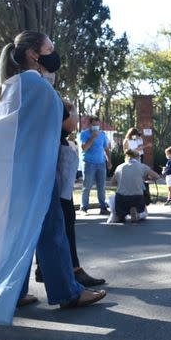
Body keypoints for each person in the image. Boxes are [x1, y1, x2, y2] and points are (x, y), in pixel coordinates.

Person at [0, 31, 106, 324]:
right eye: (50, 48)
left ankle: (16, 290)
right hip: (33, 173)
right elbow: (61, 124)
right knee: (51, 229)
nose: (54, 53)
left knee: (19, 229)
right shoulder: (36, 85)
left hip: (10, 174)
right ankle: (68, 292)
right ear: (35, 54)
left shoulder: (12, 85)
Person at [35, 99, 106, 288]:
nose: (75, 118)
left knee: (55, 224)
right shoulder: (57, 134)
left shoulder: (52, 135)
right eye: (73, 113)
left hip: (52, 186)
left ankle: (46, 267)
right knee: (64, 222)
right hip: (56, 188)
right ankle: (72, 271)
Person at [109, 149, 161, 224]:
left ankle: (120, 215)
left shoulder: (119, 167)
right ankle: (136, 212)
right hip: (137, 198)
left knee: (116, 198)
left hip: (121, 198)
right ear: (138, 157)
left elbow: (112, 183)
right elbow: (156, 176)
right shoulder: (142, 166)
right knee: (144, 213)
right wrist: (145, 178)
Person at [80, 115, 112, 215]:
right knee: (87, 186)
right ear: (90, 125)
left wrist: (109, 161)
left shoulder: (102, 134)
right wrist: (93, 137)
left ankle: (103, 207)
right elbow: (84, 148)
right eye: (94, 125)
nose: (96, 127)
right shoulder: (84, 134)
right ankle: (84, 208)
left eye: (98, 125)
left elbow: (106, 149)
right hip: (89, 163)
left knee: (101, 187)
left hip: (101, 163)